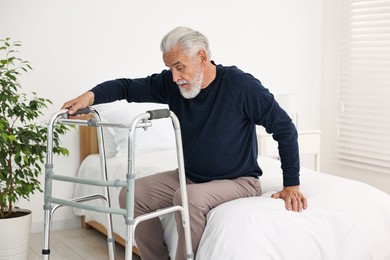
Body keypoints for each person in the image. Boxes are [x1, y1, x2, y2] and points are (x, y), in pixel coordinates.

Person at [63, 26, 307, 260]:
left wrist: (291, 184)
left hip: (239, 181)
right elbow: (126, 87)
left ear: (202, 57)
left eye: (179, 67)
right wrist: (90, 96)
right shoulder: (173, 85)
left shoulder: (240, 86)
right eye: (170, 68)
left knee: (187, 197)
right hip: (189, 176)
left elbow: (284, 128)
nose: (175, 77)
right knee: (131, 194)